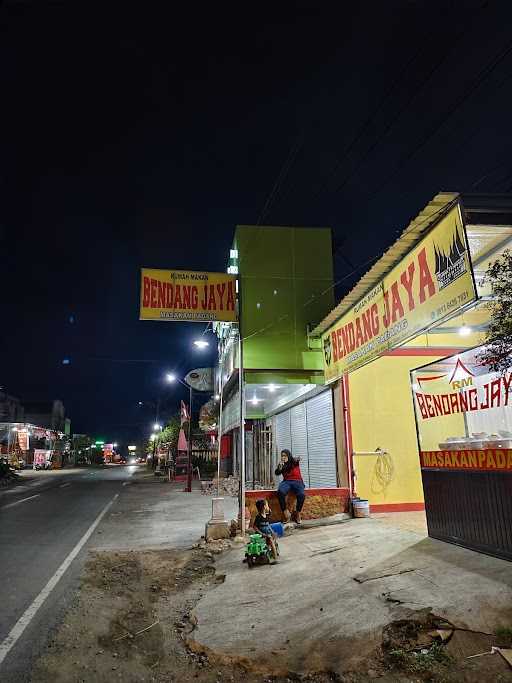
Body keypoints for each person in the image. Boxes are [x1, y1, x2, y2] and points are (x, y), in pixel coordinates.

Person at [275, 449, 305, 523]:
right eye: (282, 456)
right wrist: (280, 468)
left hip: (297, 481)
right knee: (280, 492)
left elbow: (298, 458)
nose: (283, 457)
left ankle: (298, 513)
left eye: (285, 456)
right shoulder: (281, 465)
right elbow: (277, 472)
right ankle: (285, 512)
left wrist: (297, 458)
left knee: (301, 495)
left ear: (288, 456)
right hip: (287, 482)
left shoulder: (294, 462)